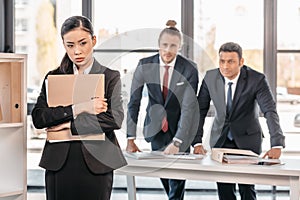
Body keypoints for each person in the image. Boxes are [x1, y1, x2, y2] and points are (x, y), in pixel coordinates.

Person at [31, 15, 127, 200]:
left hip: (97, 163)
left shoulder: (110, 76)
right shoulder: (53, 77)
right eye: (70, 45)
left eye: (83, 43)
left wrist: (68, 126)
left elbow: (114, 119)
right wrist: (80, 107)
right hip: (59, 162)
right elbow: (39, 117)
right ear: (64, 45)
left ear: (93, 40)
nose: (77, 51)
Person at [193, 42, 285, 200]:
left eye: (231, 61)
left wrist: (276, 143)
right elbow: (200, 110)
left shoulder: (256, 79)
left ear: (241, 62)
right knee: (224, 189)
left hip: (248, 139)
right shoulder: (210, 77)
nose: (225, 66)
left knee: (246, 188)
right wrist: (196, 141)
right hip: (220, 140)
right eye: (222, 61)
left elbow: (269, 110)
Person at [126, 20, 199, 200]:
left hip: (181, 130)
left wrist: (177, 142)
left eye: (173, 46)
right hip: (157, 130)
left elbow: (189, 108)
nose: (168, 50)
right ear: (158, 45)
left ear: (179, 47)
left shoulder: (189, 69)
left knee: (177, 182)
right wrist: (130, 137)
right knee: (165, 176)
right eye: (164, 45)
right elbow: (134, 102)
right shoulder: (144, 65)